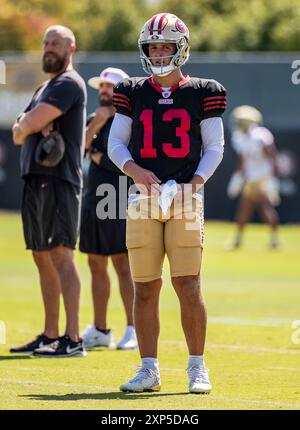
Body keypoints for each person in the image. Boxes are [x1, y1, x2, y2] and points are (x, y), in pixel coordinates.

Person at [108, 13, 227, 393]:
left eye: (165, 46)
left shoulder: (205, 90)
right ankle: (149, 370)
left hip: (185, 198)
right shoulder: (131, 88)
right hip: (143, 197)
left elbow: (215, 147)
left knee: (188, 283)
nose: (158, 53)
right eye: (152, 47)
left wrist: (195, 183)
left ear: (181, 48)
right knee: (144, 286)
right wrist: (135, 171)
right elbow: (116, 144)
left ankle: (197, 368)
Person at [11, 25, 87, 357]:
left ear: (71, 47)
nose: (48, 48)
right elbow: (20, 131)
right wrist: (26, 123)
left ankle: (72, 339)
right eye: (45, 43)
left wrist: (26, 123)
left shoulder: (69, 83)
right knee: (41, 255)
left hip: (59, 179)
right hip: (36, 178)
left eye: (55, 42)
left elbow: (27, 124)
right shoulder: (46, 85)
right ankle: (50, 333)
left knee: (60, 255)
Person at [79, 68, 137, 350]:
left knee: (122, 263)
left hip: (117, 195)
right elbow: (78, 152)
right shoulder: (94, 119)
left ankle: (133, 328)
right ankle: (101, 329)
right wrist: (94, 126)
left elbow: (126, 165)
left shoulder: (128, 123)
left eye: (109, 86)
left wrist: (98, 156)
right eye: (101, 86)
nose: (104, 91)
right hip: (93, 196)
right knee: (95, 262)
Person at [227, 105, 280, 249]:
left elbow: (271, 154)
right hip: (252, 177)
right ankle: (239, 240)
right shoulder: (240, 137)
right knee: (246, 208)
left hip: (261, 177)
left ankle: (274, 240)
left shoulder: (260, 135)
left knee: (263, 206)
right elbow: (244, 160)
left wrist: (273, 176)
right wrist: (239, 176)